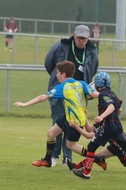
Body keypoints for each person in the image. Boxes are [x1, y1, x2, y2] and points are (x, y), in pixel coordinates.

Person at [14, 61, 106, 168]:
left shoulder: (63, 87)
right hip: (68, 117)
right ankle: (47, 160)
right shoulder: (82, 83)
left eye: (58, 73)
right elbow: (95, 94)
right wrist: (110, 98)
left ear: (63, 74)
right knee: (51, 134)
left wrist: (25, 104)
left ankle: (97, 159)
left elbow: (42, 97)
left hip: (75, 121)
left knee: (71, 145)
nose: (56, 75)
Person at [44, 25, 98, 166]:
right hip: (61, 90)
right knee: (58, 123)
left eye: (84, 39)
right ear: (74, 36)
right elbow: (49, 63)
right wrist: (57, 80)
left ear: (88, 38)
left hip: (78, 94)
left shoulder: (92, 51)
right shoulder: (61, 46)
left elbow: (93, 69)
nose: (81, 41)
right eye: (79, 38)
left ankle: (67, 158)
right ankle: (54, 156)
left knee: (72, 125)